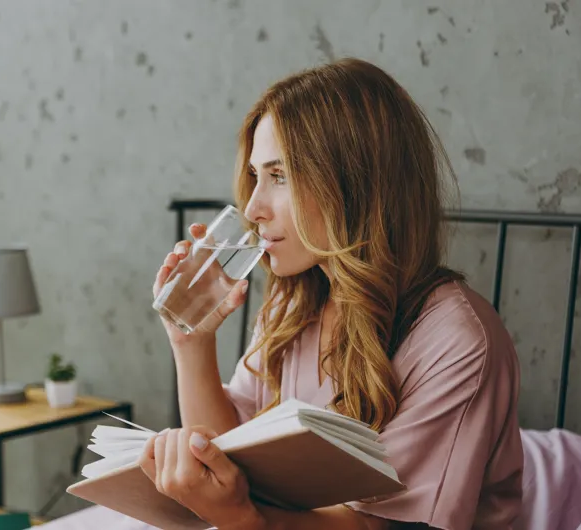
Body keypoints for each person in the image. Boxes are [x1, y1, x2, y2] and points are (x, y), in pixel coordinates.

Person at [138, 58, 524, 530]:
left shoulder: (457, 340)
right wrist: (191, 343)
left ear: (355, 184)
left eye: (279, 176)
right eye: (256, 176)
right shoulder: (294, 305)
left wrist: (241, 517)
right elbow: (229, 453)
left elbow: (377, 526)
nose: (253, 208)